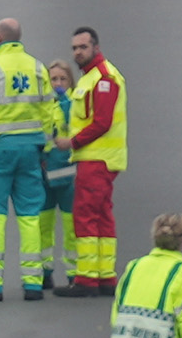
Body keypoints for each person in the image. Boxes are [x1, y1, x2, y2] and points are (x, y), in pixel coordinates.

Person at [0, 19, 57, 301]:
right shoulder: (38, 68)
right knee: (30, 215)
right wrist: (47, 149)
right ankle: (33, 283)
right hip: (31, 151)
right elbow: (48, 111)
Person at [52, 27, 128, 296]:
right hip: (102, 159)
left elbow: (102, 122)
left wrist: (71, 142)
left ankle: (86, 279)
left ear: (95, 47)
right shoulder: (91, 77)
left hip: (97, 158)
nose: (77, 52)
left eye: (82, 47)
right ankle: (105, 276)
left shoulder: (103, 78)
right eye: (74, 48)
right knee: (103, 216)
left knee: (85, 215)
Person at [40, 60, 78, 289]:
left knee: (71, 225)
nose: (58, 83)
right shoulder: (41, 103)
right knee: (43, 226)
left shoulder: (76, 104)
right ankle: (45, 271)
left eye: (63, 79)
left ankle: (73, 272)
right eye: (53, 79)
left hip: (69, 173)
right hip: (44, 172)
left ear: (70, 81)